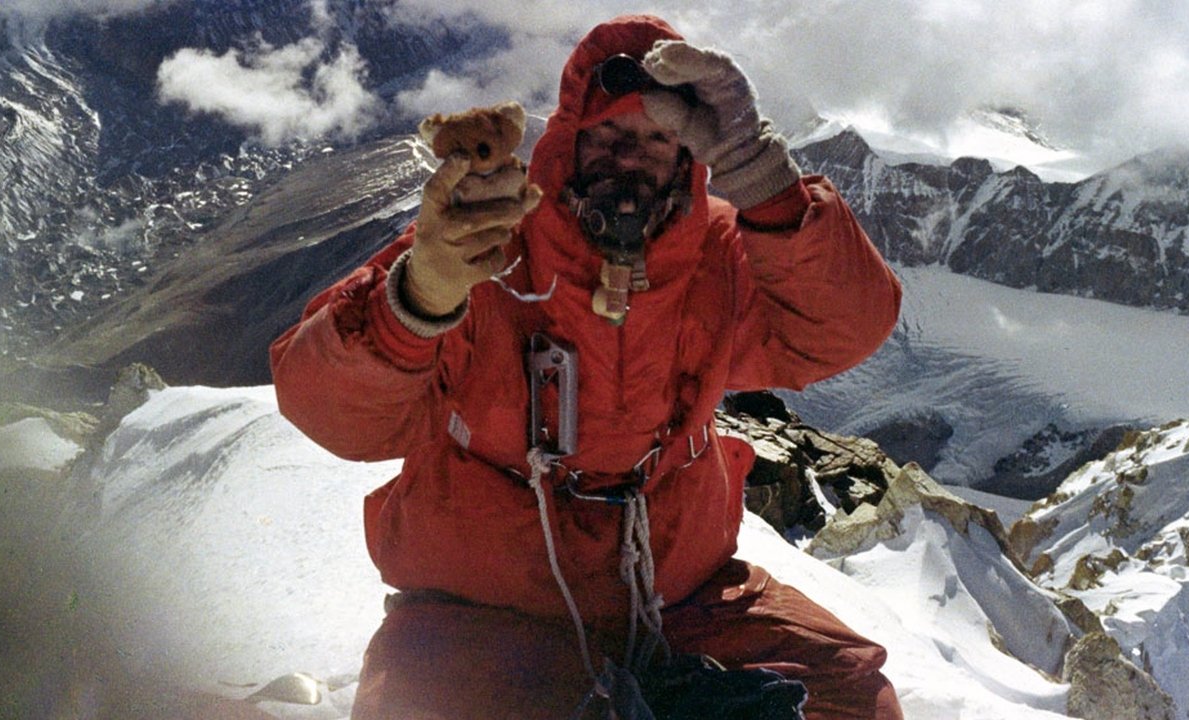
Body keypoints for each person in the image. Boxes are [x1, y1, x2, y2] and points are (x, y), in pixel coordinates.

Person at [271, 14, 903, 720]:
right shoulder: (478, 246)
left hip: (682, 600)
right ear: (568, 139)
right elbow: (329, 409)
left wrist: (763, 177)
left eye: (660, 138)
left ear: (691, 156)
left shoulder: (720, 249)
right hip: (482, 614)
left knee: (851, 701)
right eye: (610, 135)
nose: (632, 158)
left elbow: (842, 330)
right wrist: (417, 299)